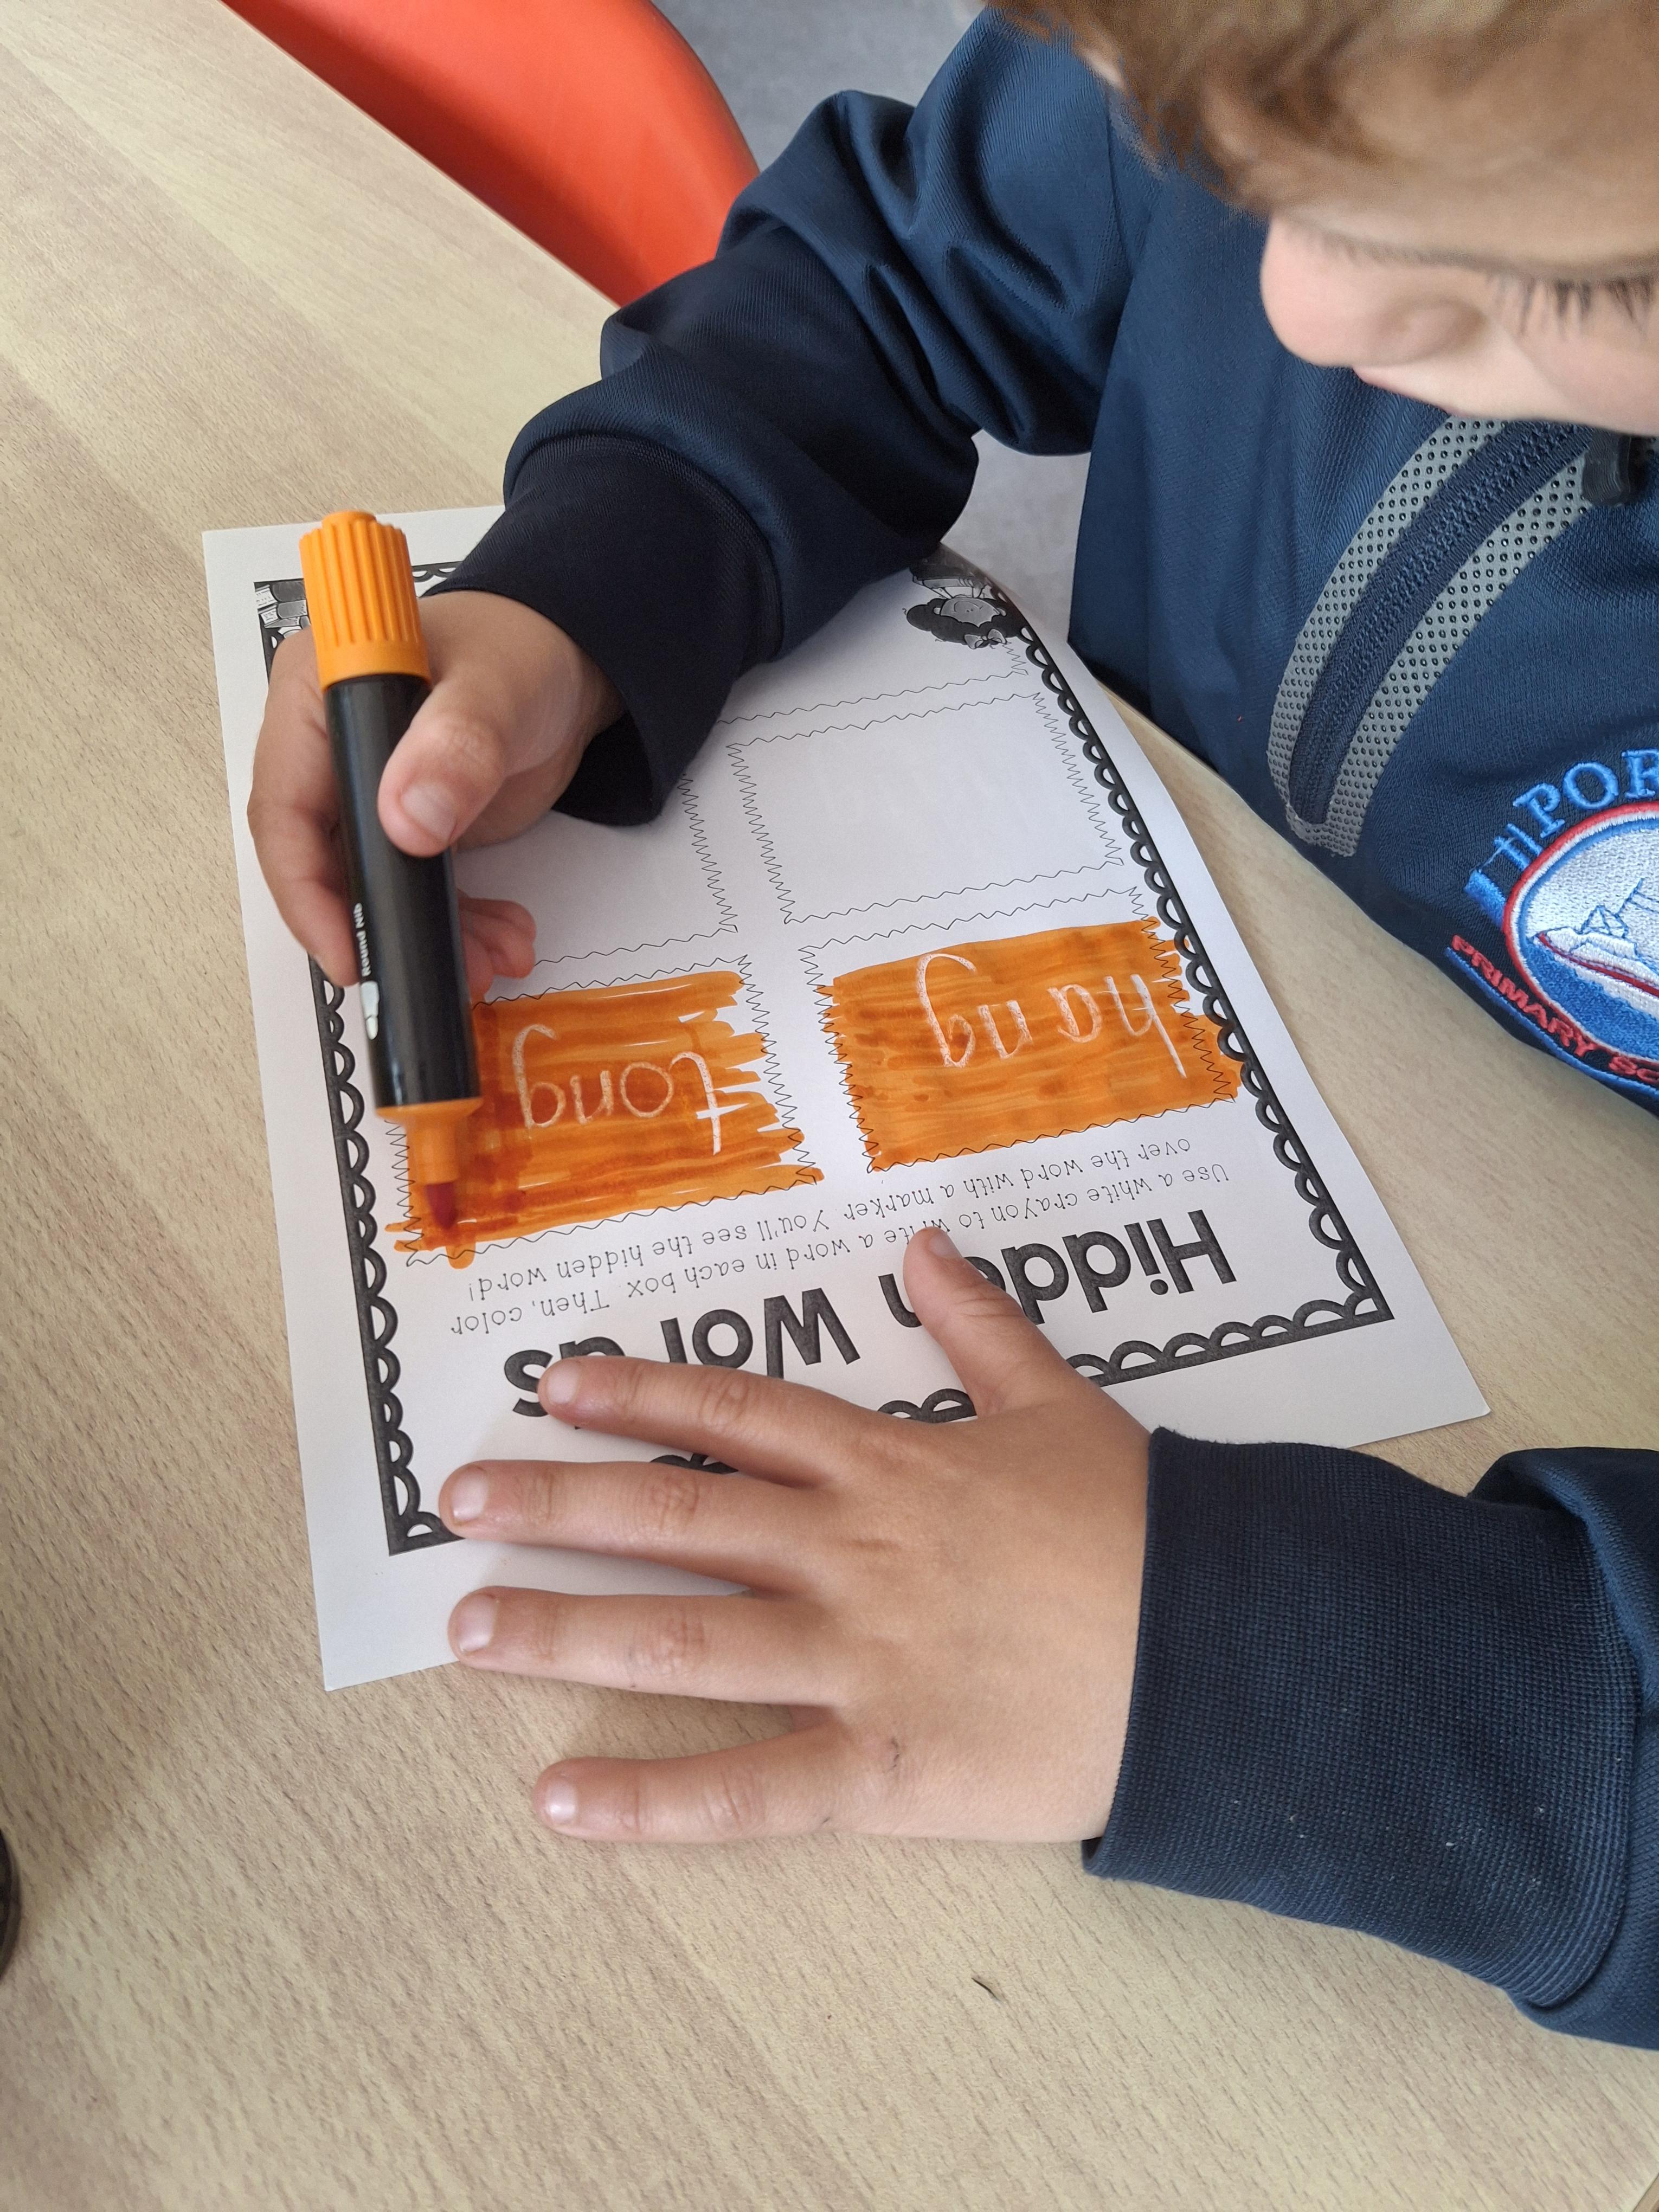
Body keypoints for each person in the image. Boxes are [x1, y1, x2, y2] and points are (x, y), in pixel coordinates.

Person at [249, 0, 1659, 2045]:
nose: (1304, 302)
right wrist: (595, 574)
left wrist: (1310, 1680)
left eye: (1603, 275)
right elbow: (896, 274)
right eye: (1210, 144)